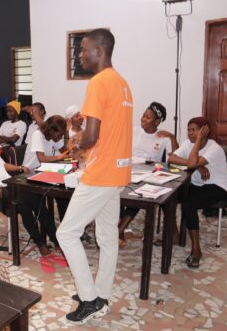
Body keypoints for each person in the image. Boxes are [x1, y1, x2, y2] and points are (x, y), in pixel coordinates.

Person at [56, 28, 133, 324]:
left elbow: (91, 135)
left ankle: (89, 298)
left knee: (66, 233)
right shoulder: (122, 83)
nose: (79, 55)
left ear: (99, 51)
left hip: (100, 172)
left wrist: (75, 144)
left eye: (83, 49)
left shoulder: (99, 82)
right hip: (118, 171)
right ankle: (100, 292)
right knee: (106, 235)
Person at [0, 121, 64, 272]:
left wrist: (19, 168)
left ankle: (56, 240)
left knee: (37, 200)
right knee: (24, 203)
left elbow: (3, 165)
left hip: (7, 184)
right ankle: (41, 244)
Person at [168, 117, 227, 268]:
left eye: (194, 130)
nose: (190, 134)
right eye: (189, 130)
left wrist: (195, 159)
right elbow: (171, 158)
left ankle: (196, 250)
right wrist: (197, 165)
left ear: (204, 131)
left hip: (217, 186)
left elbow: (192, 162)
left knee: (188, 204)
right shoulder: (189, 143)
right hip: (197, 184)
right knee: (169, 196)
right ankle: (175, 235)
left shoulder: (214, 148)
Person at [118, 102, 179, 246]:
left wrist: (172, 137)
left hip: (148, 174)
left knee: (141, 194)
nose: (142, 119)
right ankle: (119, 228)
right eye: (143, 116)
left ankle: (119, 229)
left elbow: (175, 157)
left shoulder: (163, 137)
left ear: (157, 121)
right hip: (129, 170)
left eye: (147, 117)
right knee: (118, 190)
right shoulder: (133, 131)